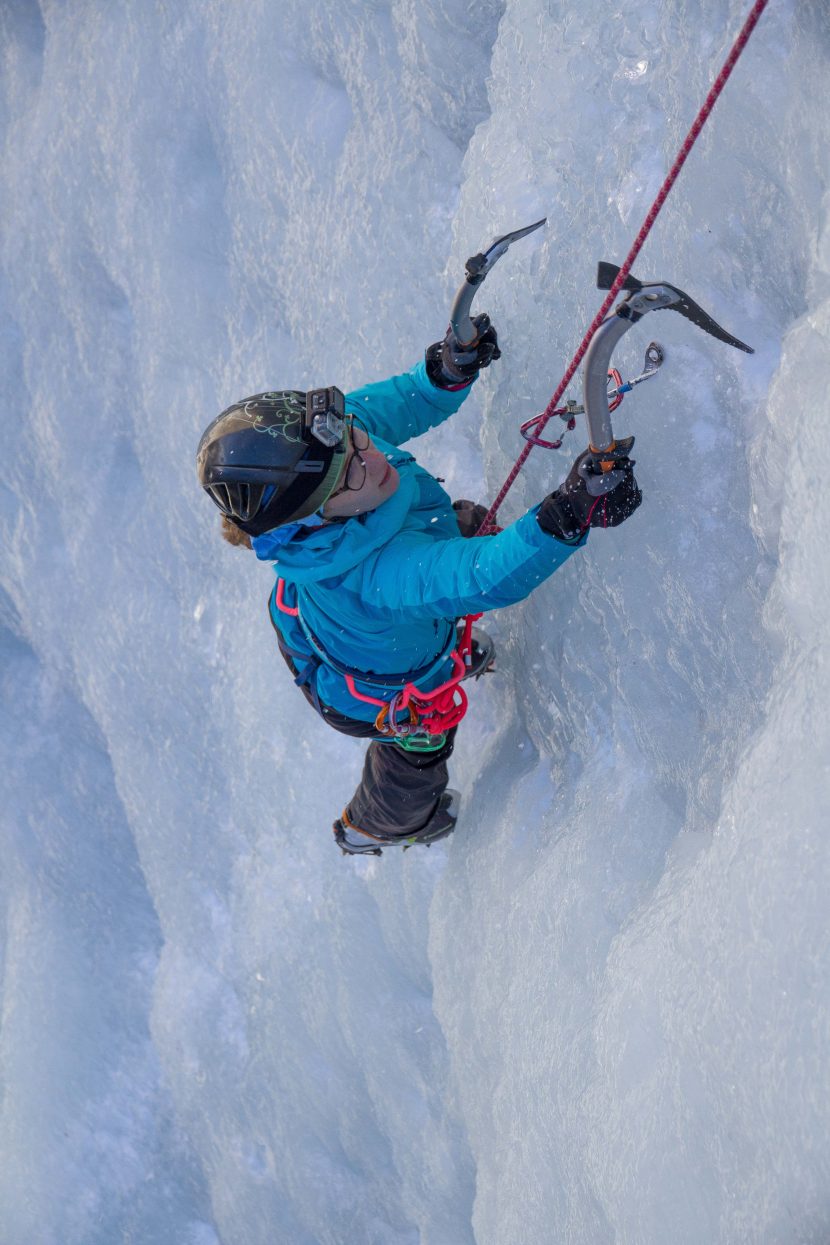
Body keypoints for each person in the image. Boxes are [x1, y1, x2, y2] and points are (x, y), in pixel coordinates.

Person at [196, 316, 641, 856]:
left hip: (336, 625)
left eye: (356, 438)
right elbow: (480, 577)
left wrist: (445, 371)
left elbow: (399, 403)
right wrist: (570, 513)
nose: (371, 457)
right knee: (420, 749)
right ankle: (381, 823)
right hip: (375, 690)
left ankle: (446, 645)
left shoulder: (333, 450)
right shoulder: (376, 574)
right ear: (315, 522)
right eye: (350, 476)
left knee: (457, 529)